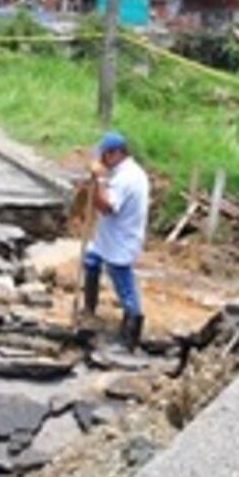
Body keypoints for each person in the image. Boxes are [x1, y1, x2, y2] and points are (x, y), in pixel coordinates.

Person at [81, 131, 150, 351]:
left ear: (116, 154)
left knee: (124, 284)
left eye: (104, 156)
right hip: (108, 237)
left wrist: (100, 180)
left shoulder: (126, 178)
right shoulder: (122, 172)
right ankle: (89, 309)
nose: (101, 160)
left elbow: (106, 207)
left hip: (121, 239)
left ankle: (131, 333)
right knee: (91, 260)